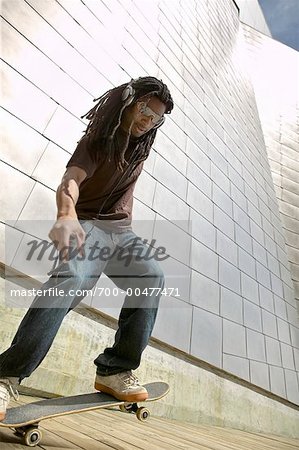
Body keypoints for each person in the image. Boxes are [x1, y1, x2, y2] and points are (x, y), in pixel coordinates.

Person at [0, 76, 174, 420]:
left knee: (152, 276)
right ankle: (6, 374)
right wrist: (66, 215)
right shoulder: (96, 142)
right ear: (127, 101)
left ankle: (114, 369)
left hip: (120, 233)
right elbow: (71, 181)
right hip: (89, 226)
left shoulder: (142, 144)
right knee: (71, 281)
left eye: (156, 119)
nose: (147, 122)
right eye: (143, 110)